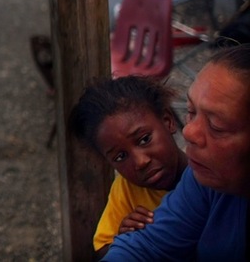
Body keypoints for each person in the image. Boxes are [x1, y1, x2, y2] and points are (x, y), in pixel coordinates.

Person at [104, 43, 250, 261]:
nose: (189, 132)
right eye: (191, 111)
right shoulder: (206, 181)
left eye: (216, 126)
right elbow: (145, 247)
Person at [69, 75, 188, 259]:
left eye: (144, 139)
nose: (141, 162)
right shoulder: (125, 191)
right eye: (120, 156)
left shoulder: (205, 173)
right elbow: (102, 247)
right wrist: (125, 240)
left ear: (168, 121)